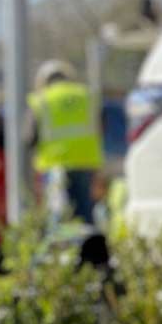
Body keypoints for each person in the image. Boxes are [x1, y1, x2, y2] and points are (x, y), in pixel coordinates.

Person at [26, 59, 105, 227]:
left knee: (57, 214)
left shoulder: (41, 100)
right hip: (86, 162)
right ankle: (87, 250)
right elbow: (101, 126)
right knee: (85, 213)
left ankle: (60, 251)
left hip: (55, 165)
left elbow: (29, 137)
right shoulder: (87, 95)